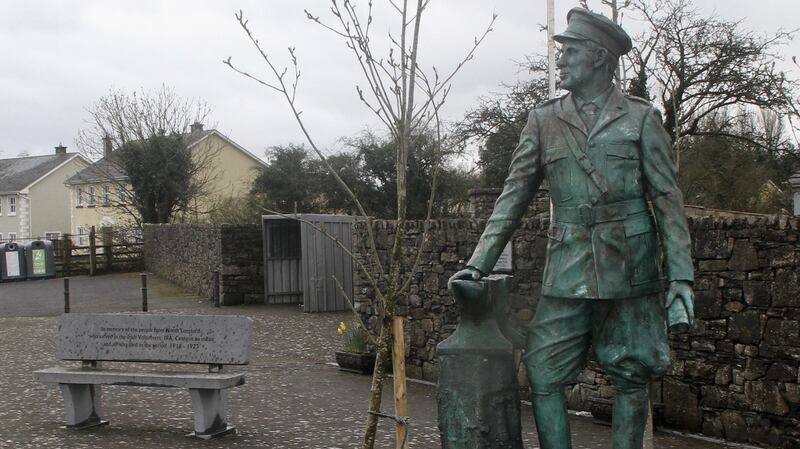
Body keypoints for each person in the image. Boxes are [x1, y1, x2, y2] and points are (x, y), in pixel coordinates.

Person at [449, 7, 695, 449]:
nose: (560, 59)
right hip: (567, 270)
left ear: (600, 58)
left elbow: (667, 201)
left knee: (631, 371)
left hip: (631, 269)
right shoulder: (543, 120)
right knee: (544, 370)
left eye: (571, 51)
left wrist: (681, 278)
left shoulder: (640, 118)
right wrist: (477, 264)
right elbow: (513, 196)